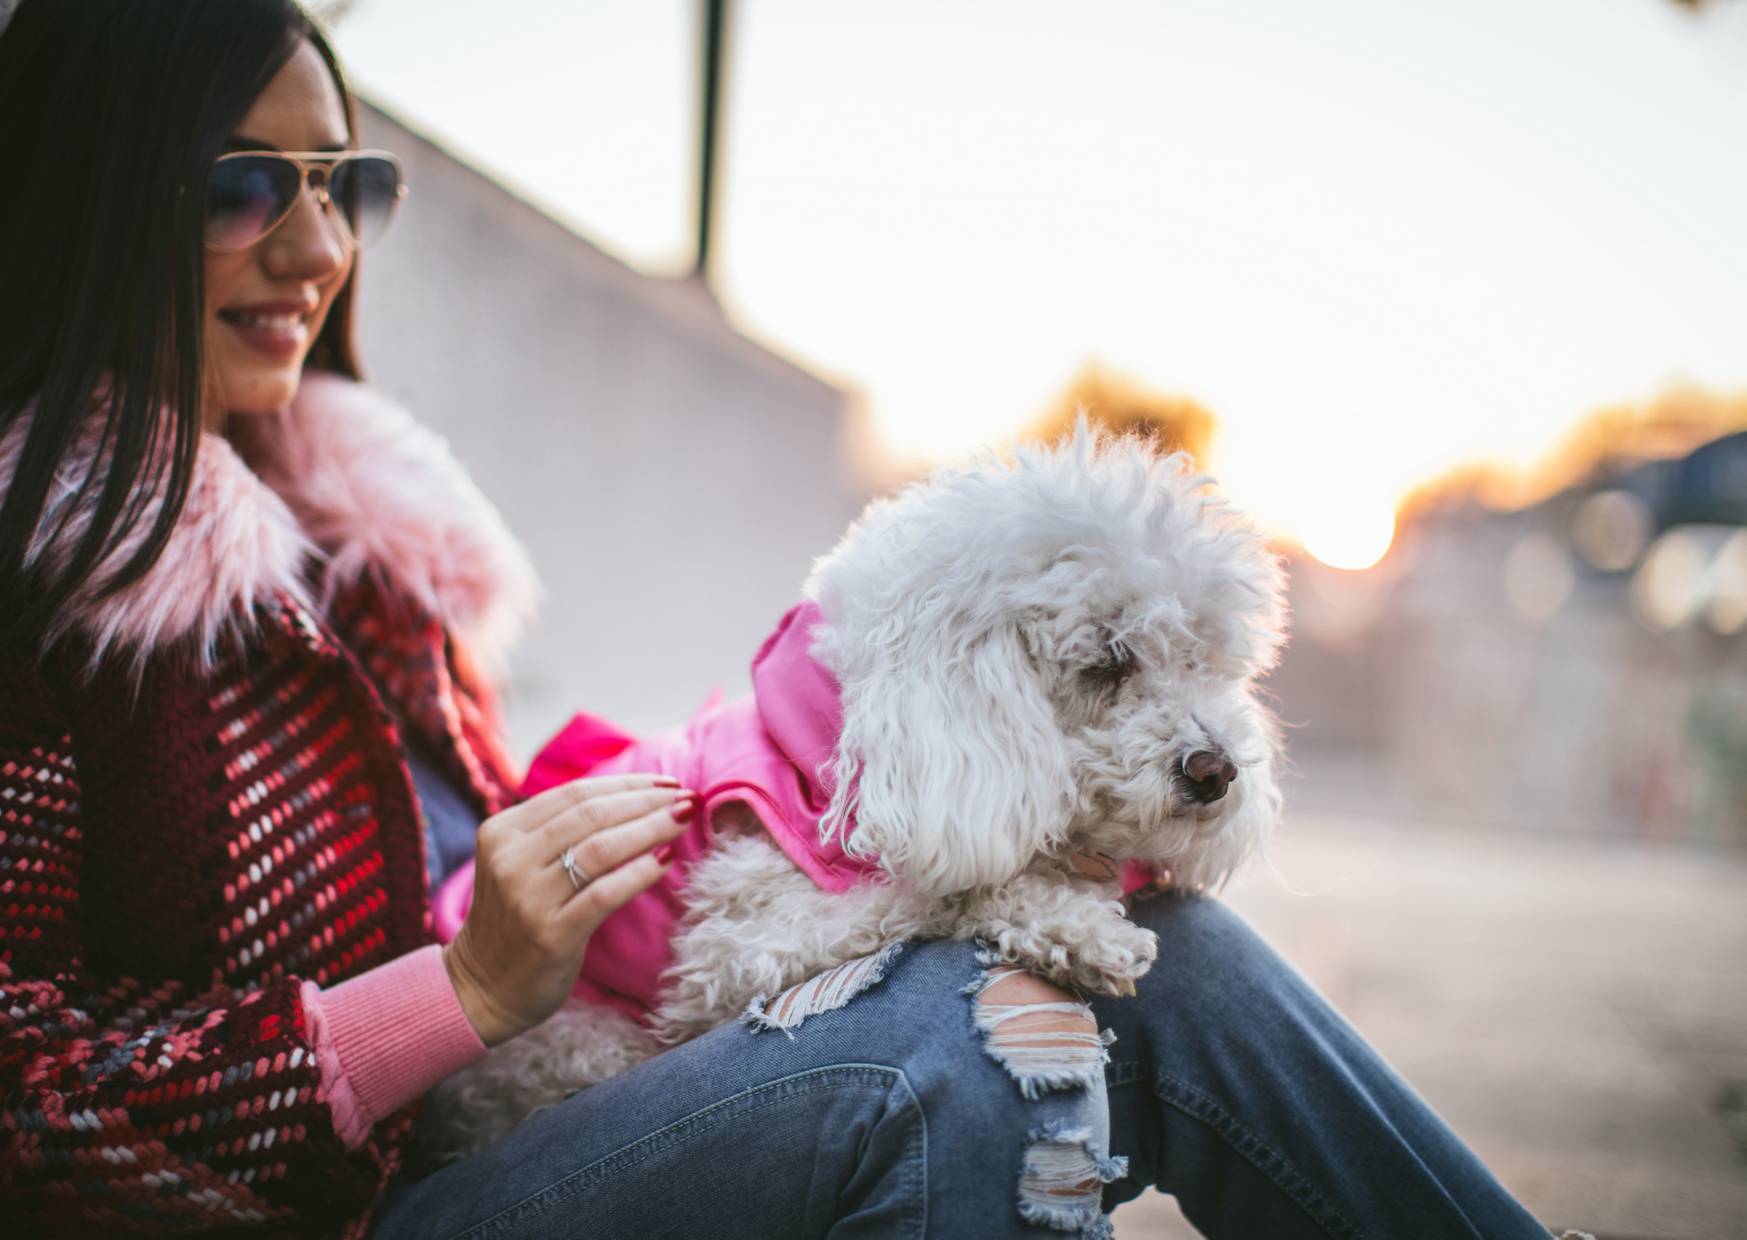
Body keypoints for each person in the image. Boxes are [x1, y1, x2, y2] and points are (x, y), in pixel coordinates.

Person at [0, 2, 1565, 1236]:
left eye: (348, 186)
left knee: (1173, 953)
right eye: (240, 183)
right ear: (84, 191)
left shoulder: (366, 563)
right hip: (351, 1209)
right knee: (970, 1027)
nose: (319, 247)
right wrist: (457, 995)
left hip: (529, 1137)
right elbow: (24, 1111)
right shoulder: (38, 604)